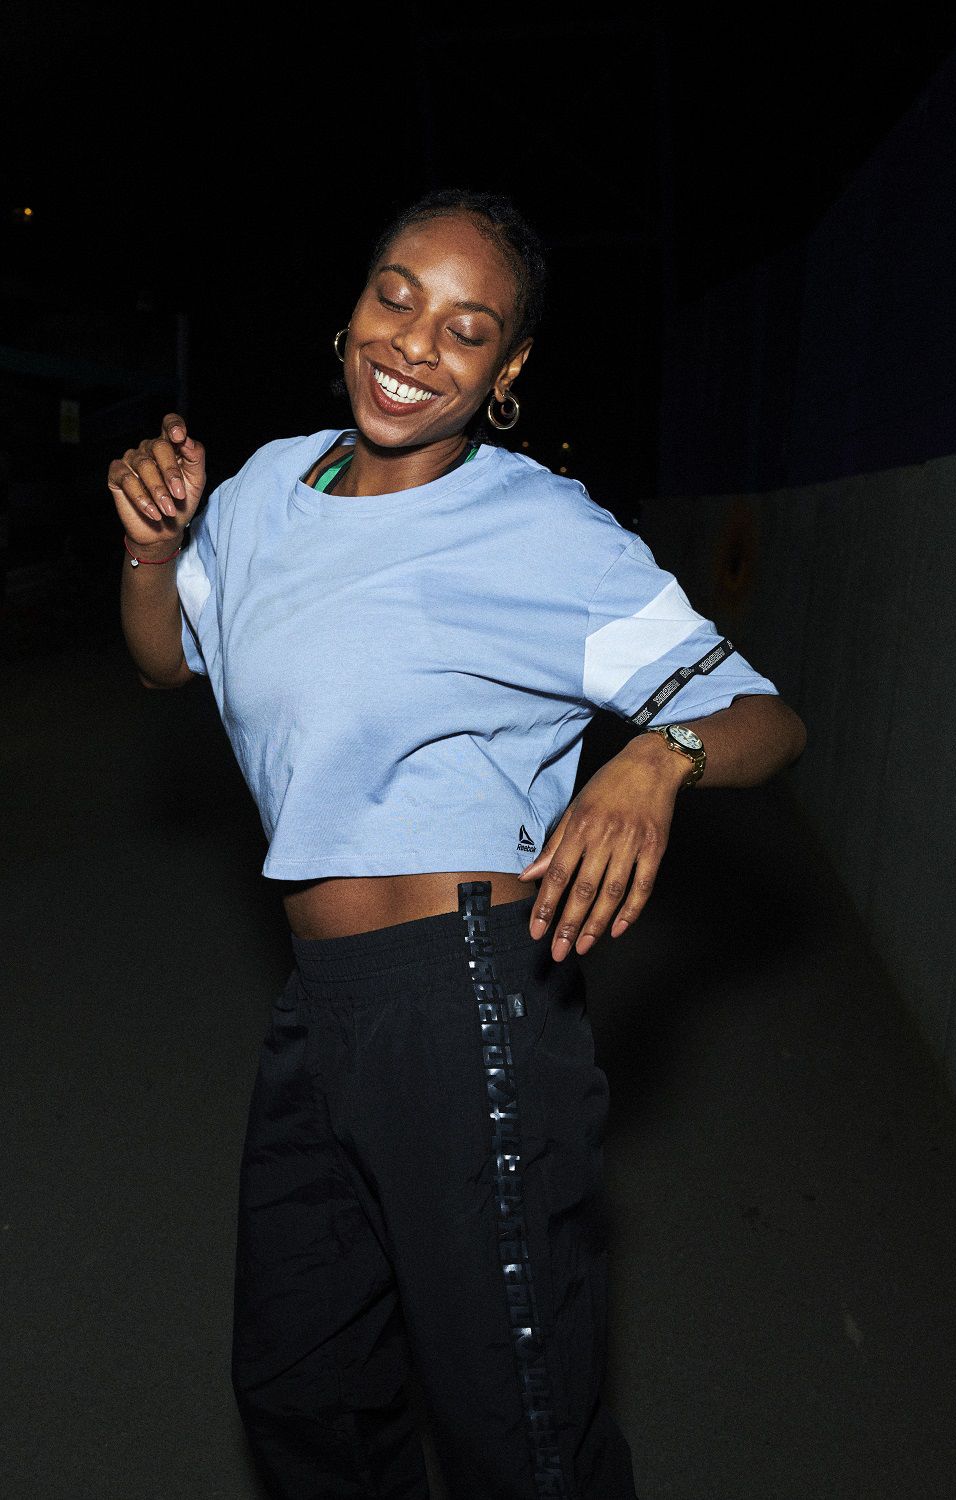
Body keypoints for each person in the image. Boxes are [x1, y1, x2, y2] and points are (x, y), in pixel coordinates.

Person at [110, 189, 806, 1500]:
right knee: (303, 1390)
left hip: (470, 1002)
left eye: (467, 329)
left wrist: (660, 755)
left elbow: (765, 717)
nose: (416, 344)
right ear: (355, 306)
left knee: (516, 1429)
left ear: (507, 369)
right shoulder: (265, 489)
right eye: (397, 297)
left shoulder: (540, 529)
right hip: (321, 1007)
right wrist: (152, 551)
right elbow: (168, 661)